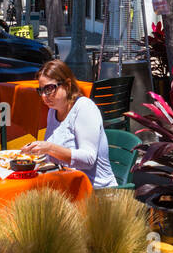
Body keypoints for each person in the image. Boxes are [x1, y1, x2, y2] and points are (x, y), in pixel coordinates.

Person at [22, 59, 117, 188]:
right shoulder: (53, 111)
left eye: (49, 88)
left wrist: (49, 148)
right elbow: (53, 156)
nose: (44, 96)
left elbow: (88, 159)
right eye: (41, 90)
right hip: (66, 185)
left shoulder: (84, 108)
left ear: (67, 85)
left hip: (95, 191)